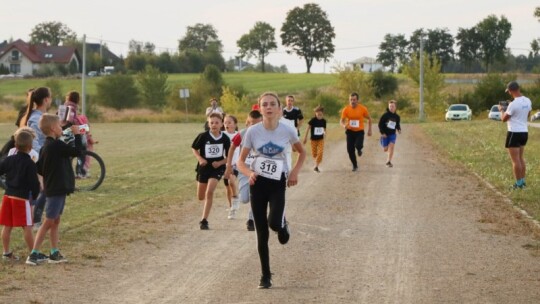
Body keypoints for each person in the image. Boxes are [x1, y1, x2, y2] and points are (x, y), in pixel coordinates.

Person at [237, 92, 306, 289]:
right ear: (260, 108)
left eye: (272, 104)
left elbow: (302, 152)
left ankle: (282, 224)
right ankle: (265, 276)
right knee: (261, 233)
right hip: (257, 183)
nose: (268, 107)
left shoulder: (287, 130)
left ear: (279, 109)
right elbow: (241, 161)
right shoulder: (252, 132)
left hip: (278, 182)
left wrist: (294, 173)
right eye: (264, 104)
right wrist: (248, 173)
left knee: (274, 225)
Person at [26, 114, 83, 265]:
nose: (61, 128)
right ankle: (34, 254)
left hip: (57, 188)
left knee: (55, 220)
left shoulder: (48, 146)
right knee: (49, 221)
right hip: (56, 189)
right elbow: (78, 151)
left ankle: (54, 252)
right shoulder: (56, 146)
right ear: (52, 128)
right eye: (59, 126)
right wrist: (77, 135)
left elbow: (40, 168)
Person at [0, 130, 40, 261]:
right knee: (27, 226)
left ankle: (6, 253)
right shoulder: (30, 163)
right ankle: (33, 254)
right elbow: (34, 184)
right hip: (21, 199)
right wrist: (34, 196)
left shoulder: (9, 159)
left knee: (7, 225)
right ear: (30, 147)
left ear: (15, 146)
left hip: (7, 197)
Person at [18, 87, 52, 230]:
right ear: (45, 100)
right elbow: (35, 143)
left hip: (41, 159)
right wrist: (44, 159)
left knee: (42, 190)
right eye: (50, 97)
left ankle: (33, 219)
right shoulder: (36, 118)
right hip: (39, 160)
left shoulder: (40, 116)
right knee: (42, 190)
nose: (51, 100)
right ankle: (35, 220)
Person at [225, 110, 263, 231]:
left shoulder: (265, 134)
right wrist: (229, 165)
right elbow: (232, 148)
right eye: (252, 124)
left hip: (259, 170)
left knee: (255, 194)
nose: (255, 127)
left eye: (258, 124)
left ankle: (251, 219)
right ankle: (239, 197)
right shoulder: (242, 134)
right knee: (245, 198)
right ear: (247, 123)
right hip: (243, 169)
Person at [191, 113, 231, 230]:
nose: (214, 125)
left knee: (210, 192)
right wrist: (200, 159)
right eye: (211, 123)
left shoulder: (225, 138)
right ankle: (204, 215)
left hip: (217, 169)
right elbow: (194, 148)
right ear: (208, 124)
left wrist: (220, 163)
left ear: (221, 124)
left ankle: (204, 220)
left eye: (216, 122)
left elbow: (229, 156)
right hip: (204, 168)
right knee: (200, 196)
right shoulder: (203, 136)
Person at [500, 81, 532, 190]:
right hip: (524, 132)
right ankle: (522, 182)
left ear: (510, 91)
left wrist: (501, 110)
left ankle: (518, 185)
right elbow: (528, 115)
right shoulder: (527, 100)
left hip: (514, 132)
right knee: (521, 158)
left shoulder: (513, 104)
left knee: (515, 161)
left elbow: (504, 119)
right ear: (518, 88)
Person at [340, 92, 372, 171]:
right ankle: (355, 165)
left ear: (357, 100)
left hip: (359, 131)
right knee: (349, 149)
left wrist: (370, 130)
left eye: (354, 100)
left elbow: (369, 118)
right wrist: (344, 126)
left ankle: (359, 149)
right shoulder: (346, 109)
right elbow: (341, 121)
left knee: (358, 145)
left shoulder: (362, 108)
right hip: (350, 131)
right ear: (349, 100)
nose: (352, 101)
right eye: (351, 100)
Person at [223, 115, 240, 219]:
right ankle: (231, 207)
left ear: (235, 124)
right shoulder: (222, 135)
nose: (227, 124)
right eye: (225, 122)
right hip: (223, 164)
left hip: (235, 164)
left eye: (229, 122)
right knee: (227, 187)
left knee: (231, 182)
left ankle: (236, 201)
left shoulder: (238, 135)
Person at [303, 105, 327, 172]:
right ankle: (316, 163)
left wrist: (325, 134)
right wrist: (305, 137)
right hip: (313, 140)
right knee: (314, 154)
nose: (319, 115)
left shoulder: (324, 121)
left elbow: (324, 129)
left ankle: (316, 166)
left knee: (320, 152)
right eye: (317, 114)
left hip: (320, 139)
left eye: (320, 114)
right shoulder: (313, 120)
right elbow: (308, 128)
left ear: (323, 113)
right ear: (315, 113)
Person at [378, 100, 401, 168]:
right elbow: (380, 124)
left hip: (392, 134)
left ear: (395, 107)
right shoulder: (385, 115)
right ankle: (383, 143)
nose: (391, 108)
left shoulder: (397, 117)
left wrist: (399, 129)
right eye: (390, 106)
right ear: (388, 107)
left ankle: (388, 161)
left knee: (392, 146)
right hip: (385, 134)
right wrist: (382, 133)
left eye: (393, 106)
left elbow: (397, 125)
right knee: (385, 149)